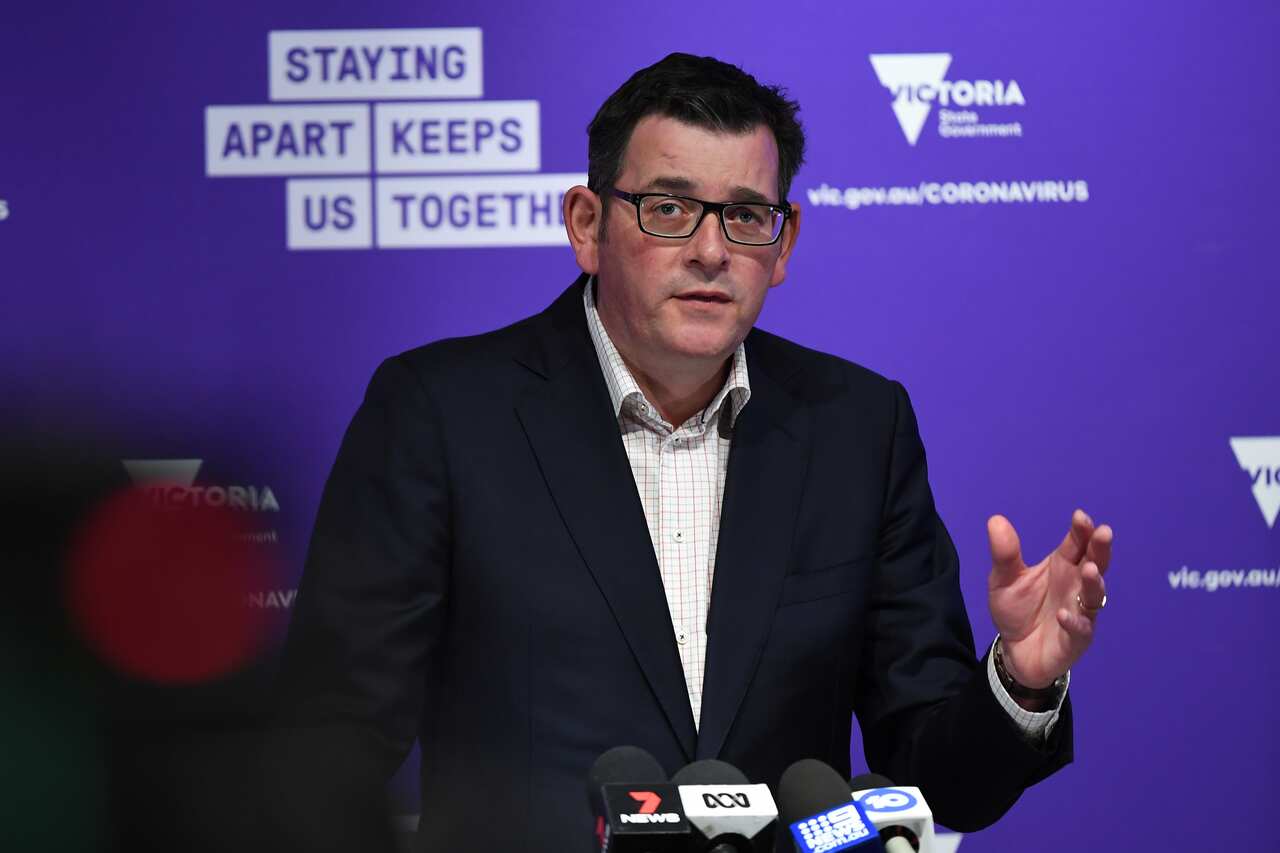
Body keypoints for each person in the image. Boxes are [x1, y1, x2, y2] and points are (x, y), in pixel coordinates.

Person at [271, 52, 1113, 852]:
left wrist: (1019, 679)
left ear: (782, 245)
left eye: (745, 216)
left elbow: (940, 782)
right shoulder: (441, 414)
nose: (712, 251)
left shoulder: (859, 428)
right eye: (670, 208)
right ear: (587, 225)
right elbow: (330, 742)